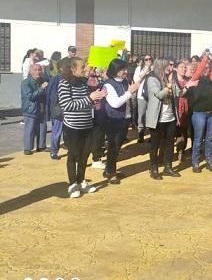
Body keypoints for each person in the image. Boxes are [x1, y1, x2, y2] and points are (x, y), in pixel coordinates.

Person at [58, 57, 106, 198]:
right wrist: (89, 98)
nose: (86, 69)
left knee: (85, 155)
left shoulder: (83, 83)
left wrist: (96, 98)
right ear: (73, 69)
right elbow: (67, 106)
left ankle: (81, 181)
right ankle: (73, 184)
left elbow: (86, 103)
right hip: (72, 127)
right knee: (74, 155)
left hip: (87, 125)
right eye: (82, 67)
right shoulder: (64, 84)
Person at [102, 58, 140, 184]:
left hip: (125, 118)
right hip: (113, 119)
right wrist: (129, 92)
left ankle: (109, 168)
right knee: (113, 146)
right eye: (123, 69)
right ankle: (110, 172)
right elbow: (115, 103)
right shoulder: (108, 84)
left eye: (125, 69)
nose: (126, 71)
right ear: (115, 70)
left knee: (118, 146)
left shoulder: (125, 81)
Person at [144, 58, 181, 180]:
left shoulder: (167, 78)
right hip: (157, 118)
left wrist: (172, 84)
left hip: (170, 117)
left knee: (170, 143)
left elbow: (177, 93)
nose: (170, 68)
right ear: (161, 66)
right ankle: (154, 169)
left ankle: (168, 167)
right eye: (168, 66)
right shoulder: (151, 79)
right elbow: (159, 95)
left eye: (171, 66)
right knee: (155, 144)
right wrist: (168, 86)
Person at [188, 61, 212, 173]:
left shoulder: (209, 77)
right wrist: (205, 58)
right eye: (204, 68)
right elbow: (200, 68)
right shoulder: (195, 78)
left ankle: (209, 161)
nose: (206, 69)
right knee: (198, 139)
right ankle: (195, 163)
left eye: (208, 68)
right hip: (199, 113)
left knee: (209, 139)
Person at [21, 64, 48, 155]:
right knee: (30, 129)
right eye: (35, 70)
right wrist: (41, 88)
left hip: (41, 108)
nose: (38, 72)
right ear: (30, 71)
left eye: (39, 70)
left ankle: (41, 146)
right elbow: (30, 96)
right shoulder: (26, 83)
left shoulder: (42, 80)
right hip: (30, 109)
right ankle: (27, 148)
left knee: (42, 128)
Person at [134, 54, 153, 142]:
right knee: (141, 115)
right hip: (142, 95)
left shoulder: (154, 68)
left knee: (151, 115)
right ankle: (140, 133)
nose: (148, 61)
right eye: (146, 59)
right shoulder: (139, 69)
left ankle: (151, 134)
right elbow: (137, 80)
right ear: (143, 61)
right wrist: (146, 70)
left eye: (150, 59)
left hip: (151, 95)